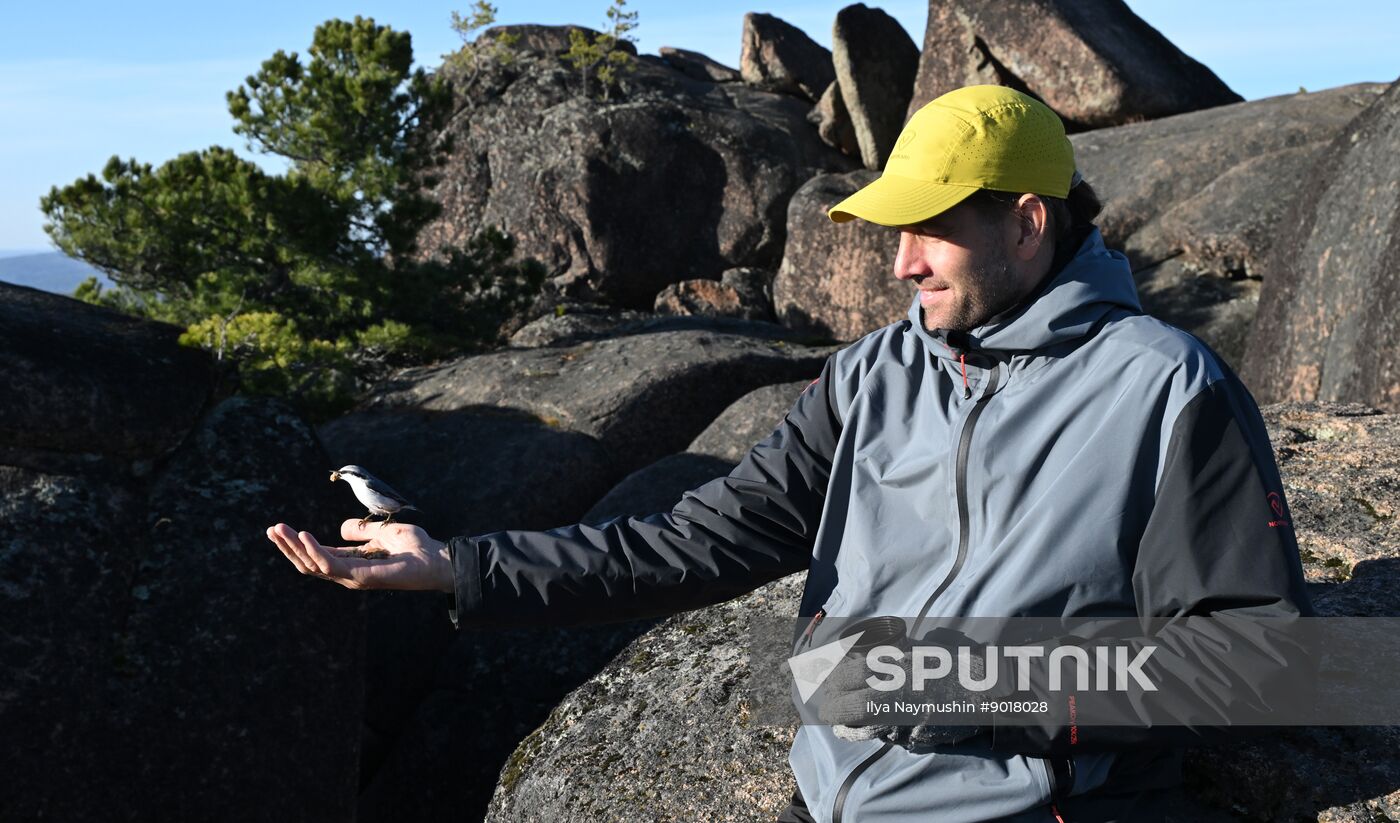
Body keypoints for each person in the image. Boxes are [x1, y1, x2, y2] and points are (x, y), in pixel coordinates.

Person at [267, 85, 1315, 823]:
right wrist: (459, 565)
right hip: (829, 801)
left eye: (929, 233)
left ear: (1026, 223)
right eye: (893, 232)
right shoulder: (874, 375)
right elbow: (700, 538)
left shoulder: (1164, 388)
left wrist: (964, 684)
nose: (899, 262)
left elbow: (1261, 670)